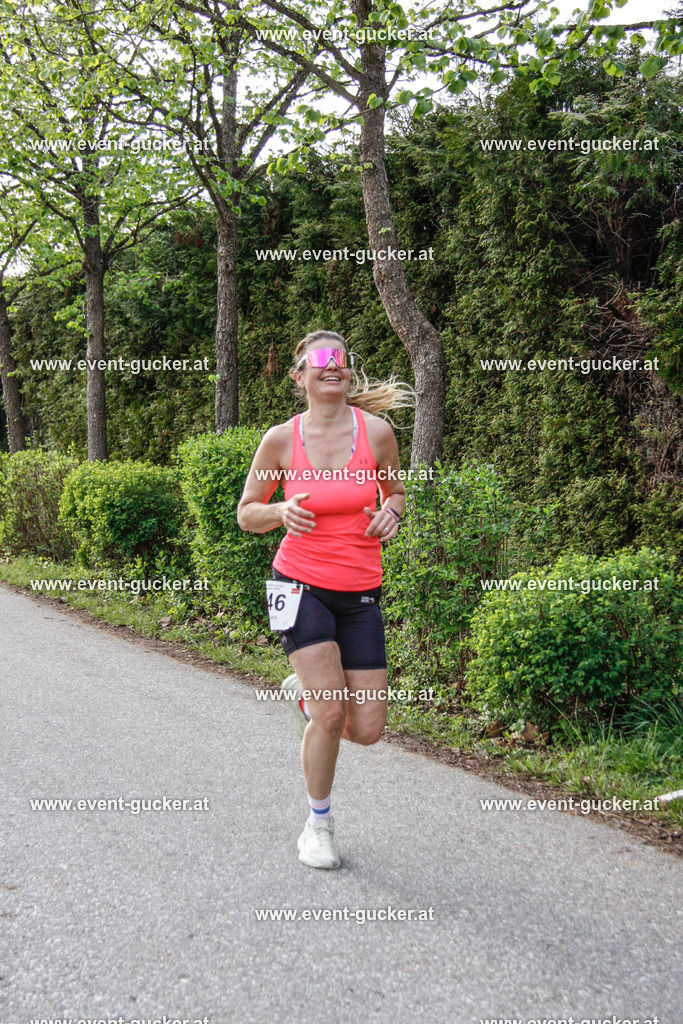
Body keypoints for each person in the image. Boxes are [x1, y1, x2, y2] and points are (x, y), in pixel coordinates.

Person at [237, 330, 414, 869]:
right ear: (300, 376)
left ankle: (304, 697)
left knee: (368, 730)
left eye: (340, 357)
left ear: (348, 371)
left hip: (360, 590)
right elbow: (247, 512)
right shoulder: (280, 441)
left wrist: (392, 514)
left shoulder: (377, 433)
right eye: (319, 359)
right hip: (297, 583)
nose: (331, 365)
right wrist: (278, 512)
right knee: (333, 713)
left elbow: (395, 492)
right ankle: (318, 825)